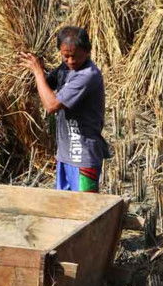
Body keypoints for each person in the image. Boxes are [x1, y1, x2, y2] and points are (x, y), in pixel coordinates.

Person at [21, 26, 110, 192]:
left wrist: (37, 72)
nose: (70, 61)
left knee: (85, 211)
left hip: (83, 158)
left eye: (75, 56)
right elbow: (44, 86)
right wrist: (32, 69)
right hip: (65, 156)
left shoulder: (87, 75)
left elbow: (51, 105)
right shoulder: (65, 69)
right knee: (65, 209)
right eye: (65, 56)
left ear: (88, 51)